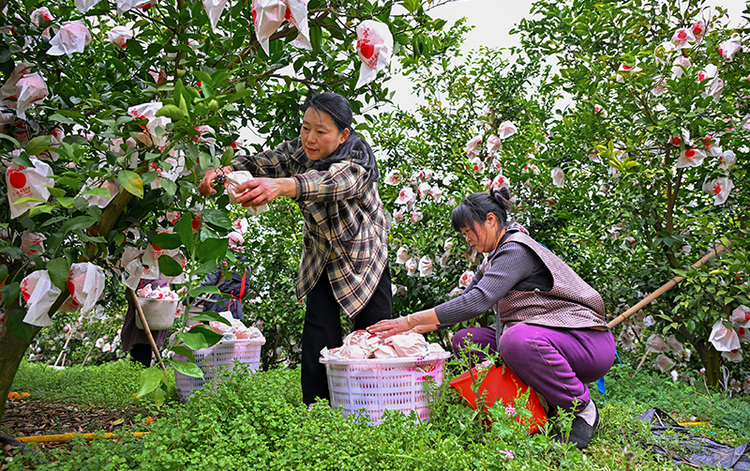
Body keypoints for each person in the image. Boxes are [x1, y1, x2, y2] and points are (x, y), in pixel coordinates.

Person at [367, 187, 615, 449]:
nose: (467, 240)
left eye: (468, 231)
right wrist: (405, 334)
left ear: (491, 220)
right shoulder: (492, 260)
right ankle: (537, 404)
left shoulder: (516, 250)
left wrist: (408, 321)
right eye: (462, 235)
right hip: (550, 340)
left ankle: (582, 408)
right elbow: (464, 302)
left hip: (586, 343)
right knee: (466, 340)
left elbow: (477, 302)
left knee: (516, 340)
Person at [199, 92, 392, 405]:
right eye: (305, 128)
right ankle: (316, 408)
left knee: (375, 332)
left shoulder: (358, 157)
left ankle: (372, 404)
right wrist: (222, 173)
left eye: (320, 131)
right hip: (322, 254)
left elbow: (333, 182)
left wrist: (281, 186)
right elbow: (258, 162)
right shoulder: (298, 151)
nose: (309, 138)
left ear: (343, 134)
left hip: (365, 256)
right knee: (319, 329)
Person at [121, 278, 169, 368]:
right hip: (138, 321)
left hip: (149, 321)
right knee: (137, 352)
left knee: (143, 351)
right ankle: (136, 377)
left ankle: (140, 376)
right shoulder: (139, 277)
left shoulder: (158, 281)